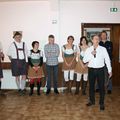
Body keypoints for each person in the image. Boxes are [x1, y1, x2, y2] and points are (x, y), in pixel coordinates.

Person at [83, 35, 112, 111]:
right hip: (91, 70)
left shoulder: (103, 49)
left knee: (102, 87)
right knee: (91, 87)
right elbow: (84, 60)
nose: (97, 40)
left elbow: (107, 60)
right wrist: (91, 54)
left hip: (100, 70)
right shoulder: (88, 50)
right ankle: (92, 101)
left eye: (98, 39)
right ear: (92, 40)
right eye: (95, 39)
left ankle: (101, 103)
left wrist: (109, 70)